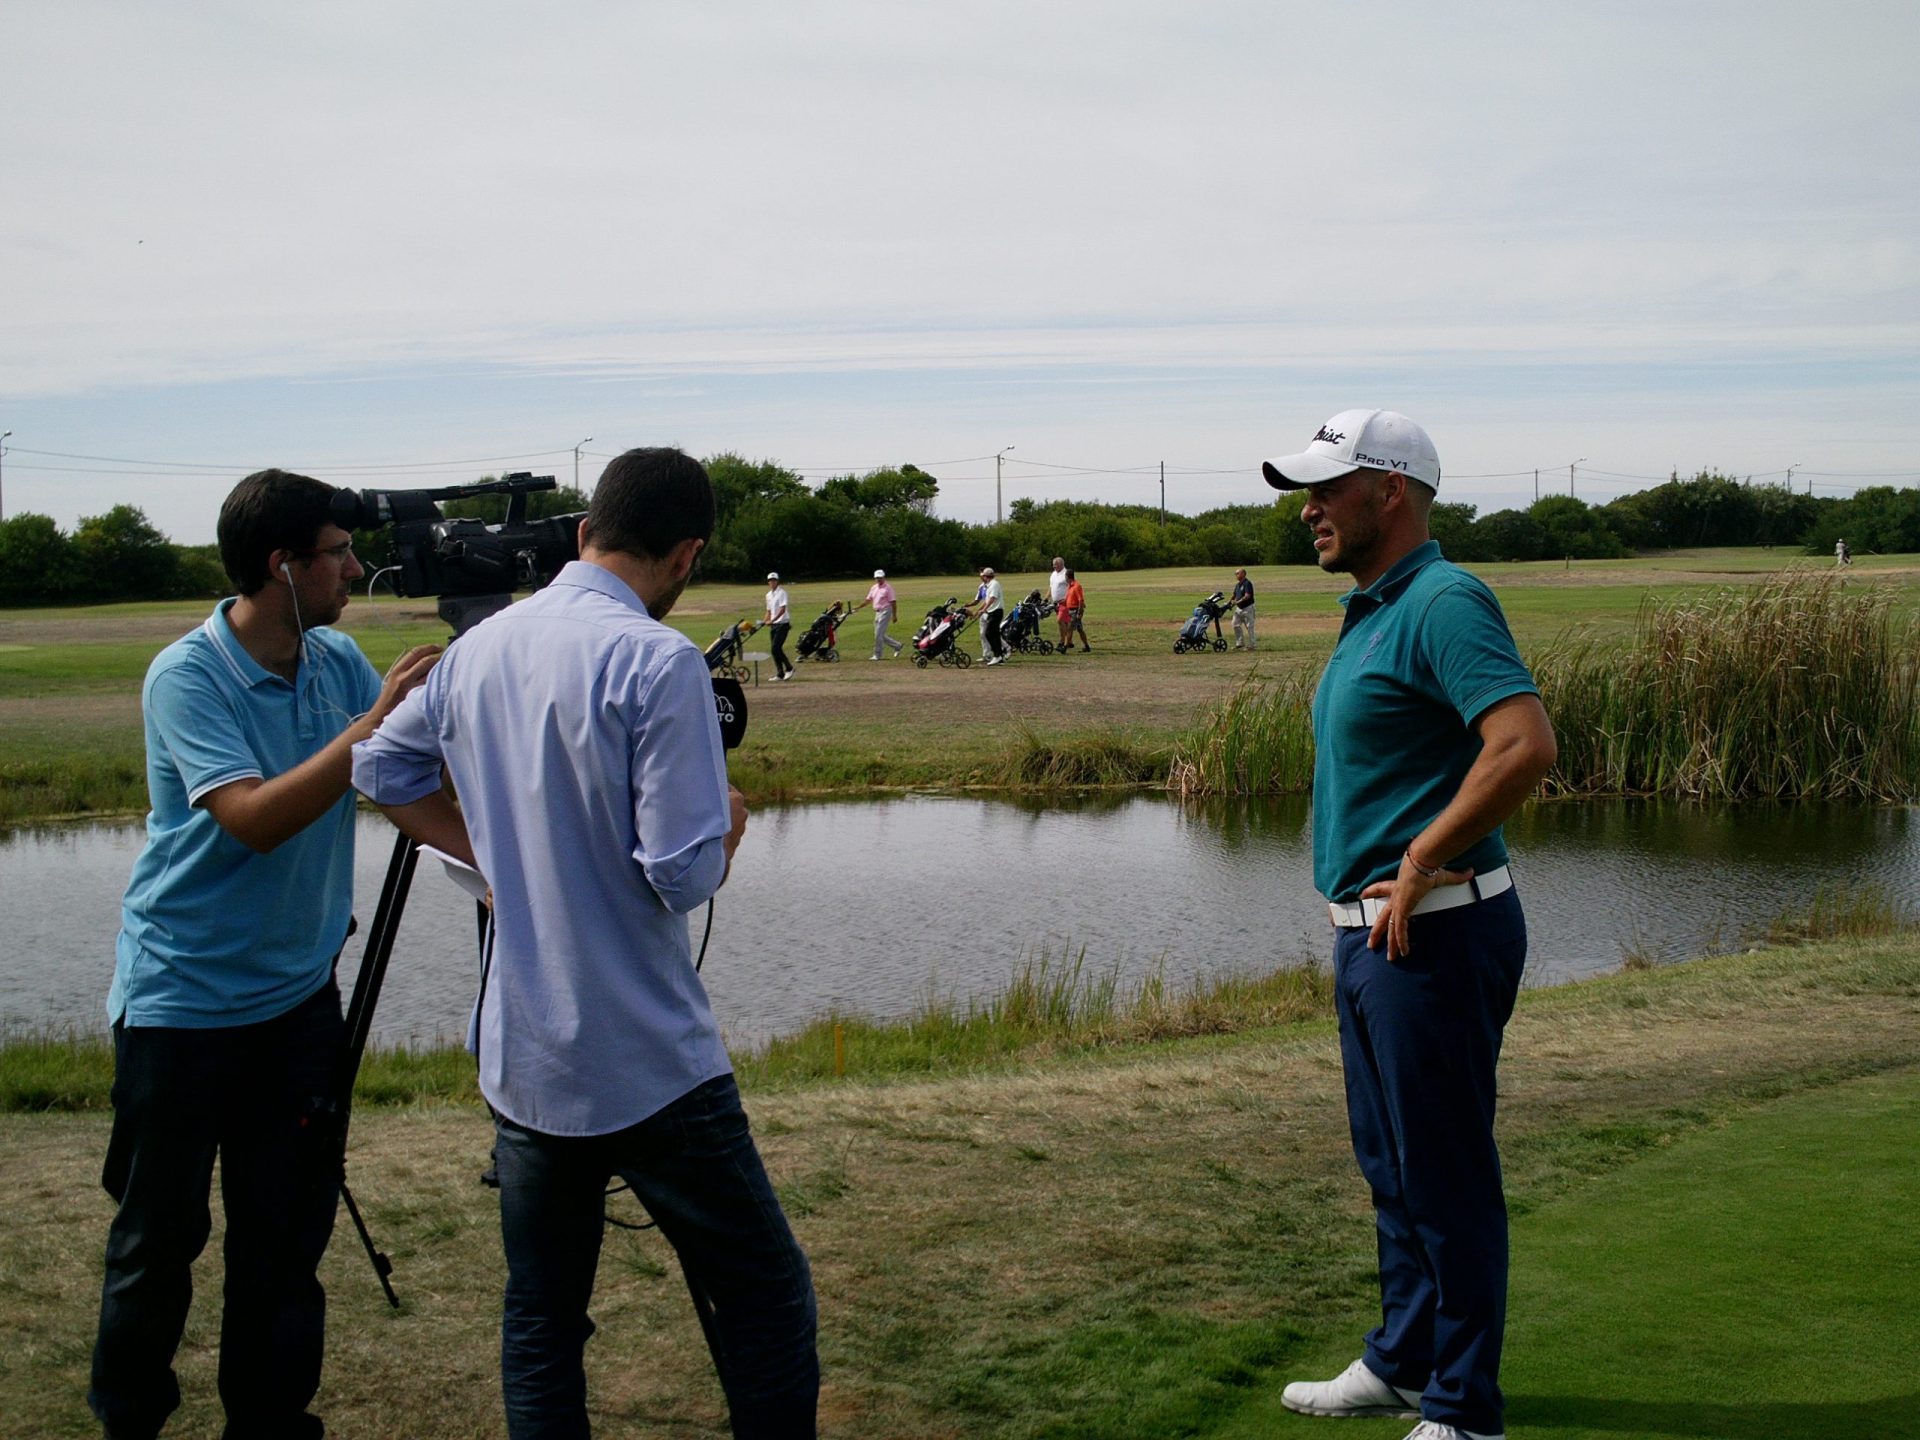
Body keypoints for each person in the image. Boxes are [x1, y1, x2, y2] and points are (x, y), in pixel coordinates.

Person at [352, 446, 818, 1439]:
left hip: (526, 1061)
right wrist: (726, 829)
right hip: (651, 1062)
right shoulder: (659, 662)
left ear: (583, 533)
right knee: (766, 1293)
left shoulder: (478, 650)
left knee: (543, 1316)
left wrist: (498, 862)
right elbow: (679, 875)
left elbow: (381, 770)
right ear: (687, 553)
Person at [90, 468, 441, 1440]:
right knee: (158, 1241)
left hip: (296, 1005)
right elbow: (251, 819)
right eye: (337, 553)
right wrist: (370, 728)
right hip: (182, 1006)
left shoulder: (333, 661)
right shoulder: (187, 675)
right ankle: (130, 1422)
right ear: (282, 566)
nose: (354, 568)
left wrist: (495, 855)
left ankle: (271, 1425)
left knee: (284, 1243)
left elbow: (394, 780)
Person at [1261, 410, 1556, 1440]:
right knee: (1391, 1167)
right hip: (1372, 938)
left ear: (1389, 491)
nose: (1308, 510)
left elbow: (1521, 744)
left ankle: (1466, 1408)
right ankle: (1403, 1360)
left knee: (1444, 1174)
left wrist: (1425, 858)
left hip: (1434, 933)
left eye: (1326, 489)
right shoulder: (1375, 607)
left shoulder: (1443, 599)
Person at [858, 568, 903, 658]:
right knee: (879, 634)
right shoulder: (874, 587)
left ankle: (877, 654)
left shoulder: (888, 588)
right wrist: (859, 607)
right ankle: (897, 645)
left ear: (884, 577)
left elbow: (893, 602)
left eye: (880, 577)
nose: (878, 579)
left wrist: (894, 615)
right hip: (877, 612)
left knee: (878, 634)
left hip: (886, 611)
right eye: (877, 578)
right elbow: (868, 600)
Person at [972, 566, 1008, 664]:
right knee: (995, 634)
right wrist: (980, 610)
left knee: (989, 633)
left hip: (996, 611)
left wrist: (983, 610)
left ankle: (997, 655)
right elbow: (986, 600)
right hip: (992, 612)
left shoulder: (994, 584)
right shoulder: (989, 585)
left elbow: (992, 599)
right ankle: (1000, 656)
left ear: (986, 576)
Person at [765, 570, 794, 680]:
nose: (772, 582)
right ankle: (780, 673)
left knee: (775, 648)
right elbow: (768, 611)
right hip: (774, 625)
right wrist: (765, 621)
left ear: (777, 581)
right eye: (770, 581)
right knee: (774, 650)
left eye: (774, 580)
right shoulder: (768, 595)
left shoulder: (782, 593)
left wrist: (773, 620)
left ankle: (789, 668)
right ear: (768, 582)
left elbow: (782, 610)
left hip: (783, 624)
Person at [1060, 569, 1090, 653]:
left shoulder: (1076, 586)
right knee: (1080, 630)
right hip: (1070, 610)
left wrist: (1079, 613)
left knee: (1069, 629)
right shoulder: (1070, 586)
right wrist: (1059, 603)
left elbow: (1080, 600)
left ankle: (1064, 647)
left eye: (1065, 577)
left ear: (1067, 577)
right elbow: (1067, 599)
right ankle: (1087, 646)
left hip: (1075, 611)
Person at [1230, 566, 1256, 650]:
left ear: (1243, 574)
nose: (1236, 575)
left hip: (1247, 608)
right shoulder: (1238, 585)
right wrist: (1229, 602)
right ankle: (1240, 643)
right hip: (1239, 608)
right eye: (1236, 574)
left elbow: (1247, 596)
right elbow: (1234, 595)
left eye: (1237, 573)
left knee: (1249, 626)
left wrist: (1237, 602)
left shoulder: (1247, 583)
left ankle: (1252, 645)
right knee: (1235, 624)